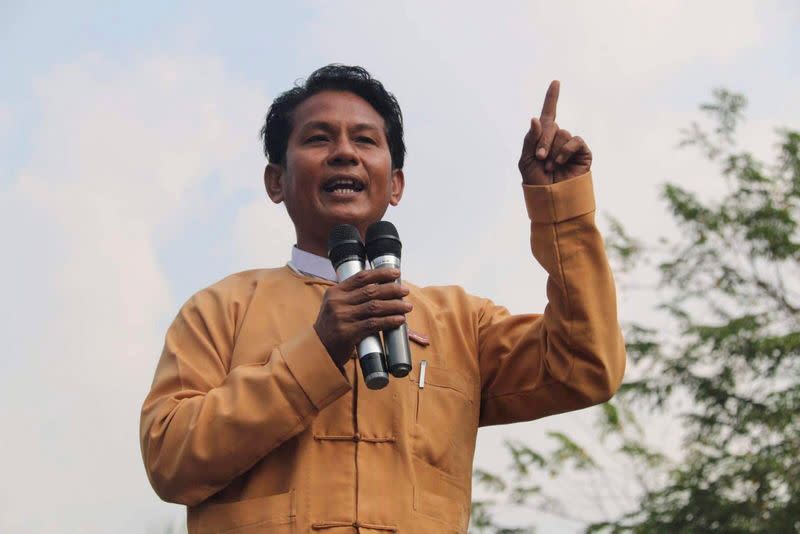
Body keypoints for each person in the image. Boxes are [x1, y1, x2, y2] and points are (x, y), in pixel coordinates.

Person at [140, 64, 626, 533]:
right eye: (318, 138)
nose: (344, 153)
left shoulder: (459, 322)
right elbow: (169, 459)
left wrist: (561, 208)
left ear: (395, 184)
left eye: (365, 140)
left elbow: (585, 366)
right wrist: (319, 349)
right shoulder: (220, 310)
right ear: (275, 181)